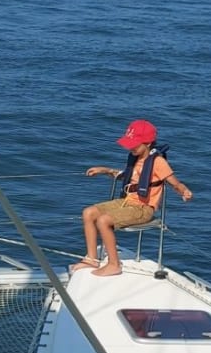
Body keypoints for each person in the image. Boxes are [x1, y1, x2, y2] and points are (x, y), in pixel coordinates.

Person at [71, 119, 192, 278]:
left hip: (143, 208)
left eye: (135, 144)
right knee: (89, 212)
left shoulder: (158, 162)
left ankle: (114, 265)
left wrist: (184, 191)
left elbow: (175, 183)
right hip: (126, 202)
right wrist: (104, 170)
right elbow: (127, 176)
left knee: (103, 221)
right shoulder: (135, 158)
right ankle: (92, 259)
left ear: (147, 143)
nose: (131, 147)